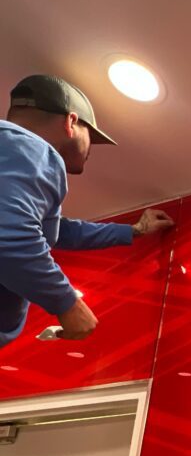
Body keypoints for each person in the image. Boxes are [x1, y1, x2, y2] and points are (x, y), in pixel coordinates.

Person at [0, 74, 174, 348]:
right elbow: (8, 236)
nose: (90, 148)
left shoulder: (8, 152)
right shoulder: (33, 149)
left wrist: (134, 231)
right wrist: (67, 303)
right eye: (90, 136)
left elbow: (56, 230)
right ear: (71, 122)